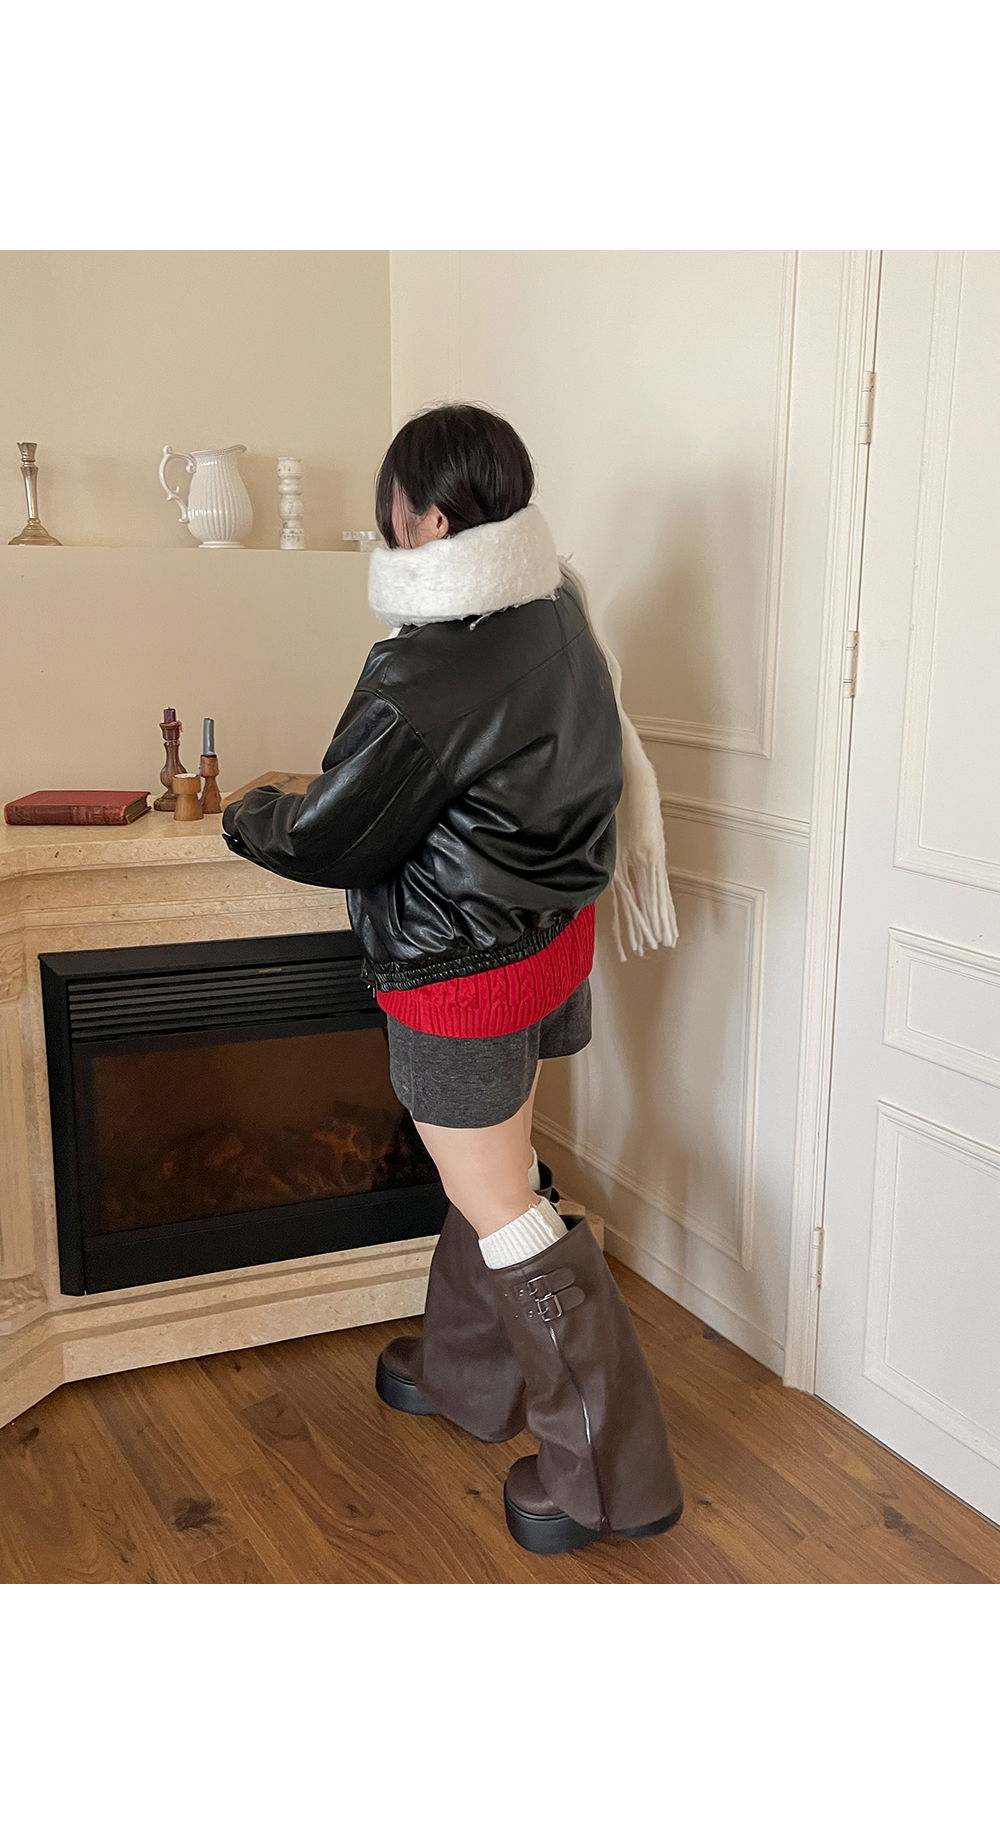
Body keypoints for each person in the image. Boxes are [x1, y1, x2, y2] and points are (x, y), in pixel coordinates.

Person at [222, 402, 684, 1556]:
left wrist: (246, 810)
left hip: (459, 971)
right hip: (546, 941)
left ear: (427, 516)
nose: (386, 522)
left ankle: (609, 1479)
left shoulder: (426, 667)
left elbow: (332, 833)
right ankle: (470, 1374)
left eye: (392, 504)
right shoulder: (556, 607)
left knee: (499, 1201)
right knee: (492, 1176)